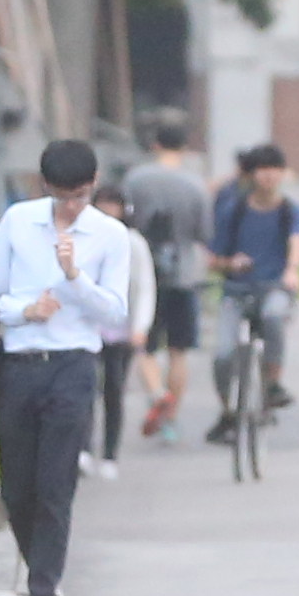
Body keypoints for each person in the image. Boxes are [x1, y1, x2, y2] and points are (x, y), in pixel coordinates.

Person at [0, 138, 129, 596]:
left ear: (93, 185)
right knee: (17, 489)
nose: (71, 205)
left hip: (74, 364)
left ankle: (42, 591)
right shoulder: (19, 221)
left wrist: (74, 277)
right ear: (44, 186)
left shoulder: (110, 234)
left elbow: (115, 311)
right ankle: (41, 567)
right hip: (20, 363)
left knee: (55, 483)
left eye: (80, 195)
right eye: (62, 195)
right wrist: (25, 310)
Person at [121, 116, 213, 444]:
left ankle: (156, 392)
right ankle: (171, 418)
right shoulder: (195, 185)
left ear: (154, 145)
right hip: (184, 275)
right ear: (184, 148)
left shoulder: (135, 180)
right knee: (178, 351)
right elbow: (204, 233)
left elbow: (125, 220)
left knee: (143, 344)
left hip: (143, 272)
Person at [207, 143, 299, 442]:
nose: (268, 176)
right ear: (251, 174)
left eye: (274, 169)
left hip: (274, 287)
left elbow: (297, 241)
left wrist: (291, 270)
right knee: (223, 355)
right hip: (236, 291)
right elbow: (212, 258)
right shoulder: (233, 210)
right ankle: (228, 409)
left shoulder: (290, 211)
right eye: (262, 169)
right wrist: (230, 263)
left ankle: (272, 383)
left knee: (274, 315)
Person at [86, 180, 155, 480]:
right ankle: (83, 448)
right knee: (84, 386)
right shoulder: (84, 237)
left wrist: (140, 326)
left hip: (119, 329)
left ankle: (110, 453)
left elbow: (144, 285)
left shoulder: (133, 242)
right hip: (88, 327)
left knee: (113, 390)